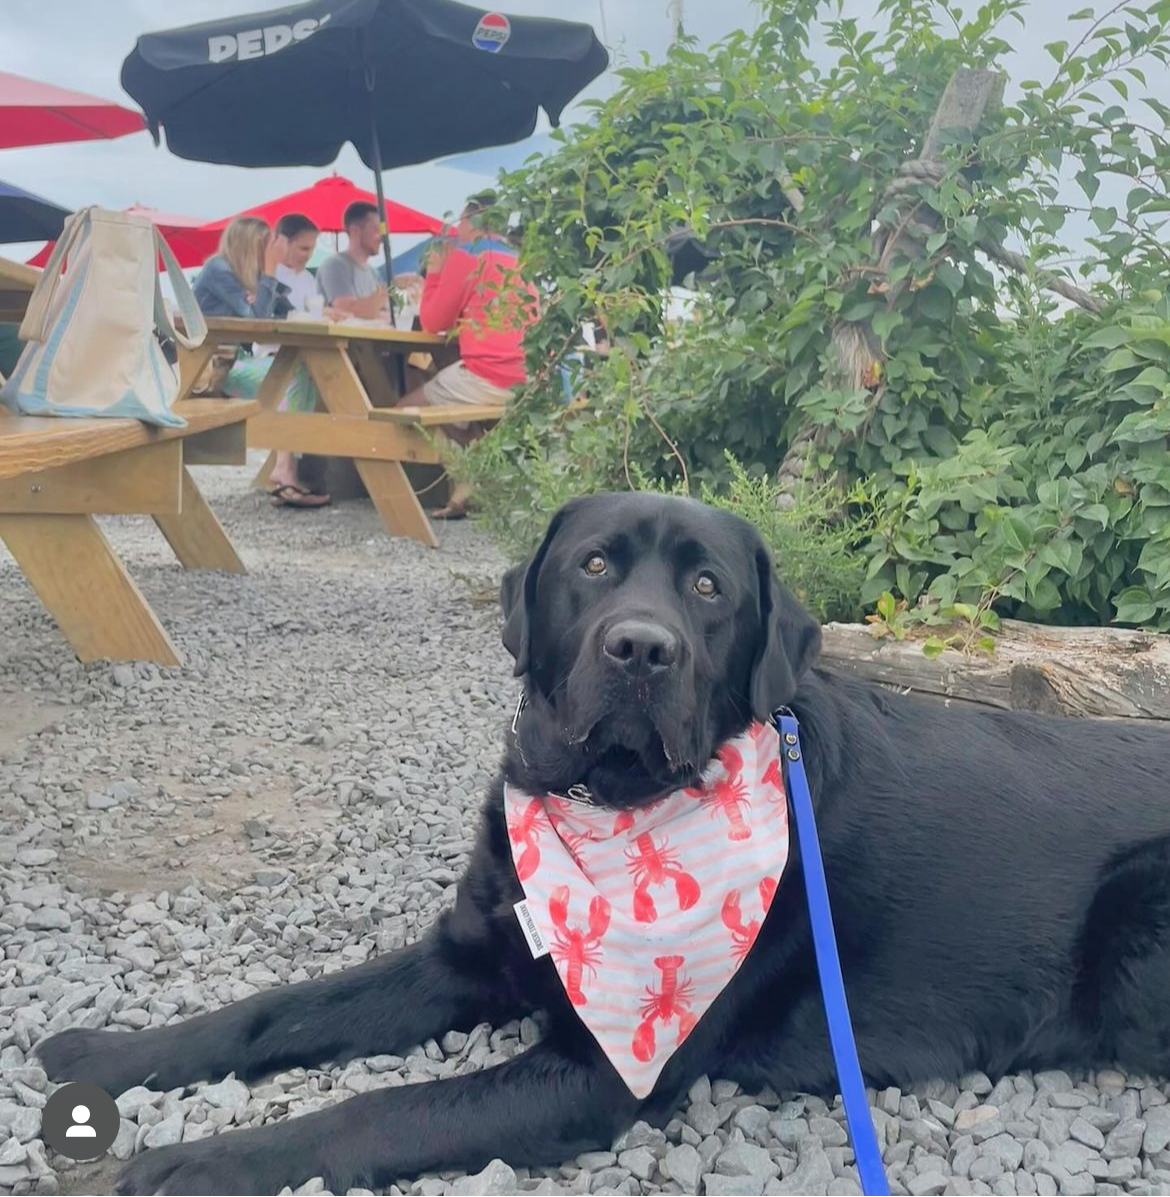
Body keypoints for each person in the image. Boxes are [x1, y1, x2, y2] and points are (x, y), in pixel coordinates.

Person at [400, 192, 539, 519]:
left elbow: (434, 322)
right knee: (447, 397)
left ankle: (466, 477)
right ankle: (473, 468)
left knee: (404, 409)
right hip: (527, 376)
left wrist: (435, 271)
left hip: (489, 372)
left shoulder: (468, 256)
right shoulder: (520, 260)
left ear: (469, 221)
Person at [193, 216, 329, 508]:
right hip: (213, 371)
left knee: (306, 369)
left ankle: (286, 468)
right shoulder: (219, 269)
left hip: (234, 364)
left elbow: (285, 311)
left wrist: (267, 284)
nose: (270, 253)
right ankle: (284, 468)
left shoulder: (248, 274)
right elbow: (257, 320)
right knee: (297, 373)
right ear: (250, 245)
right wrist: (269, 271)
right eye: (265, 246)